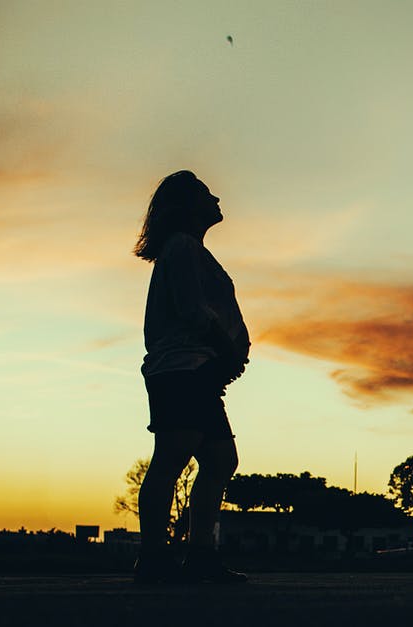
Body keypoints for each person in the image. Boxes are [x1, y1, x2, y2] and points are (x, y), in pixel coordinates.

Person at [132, 170, 249, 584]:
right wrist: (228, 346)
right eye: (205, 193)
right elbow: (192, 310)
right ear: (185, 205)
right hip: (181, 368)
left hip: (198, 370)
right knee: (172, 455)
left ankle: (200, 554)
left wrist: (231, 355)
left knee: (220, 460)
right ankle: (153, 559)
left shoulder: (194, 251)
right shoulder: (180, 247)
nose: (216, 197)